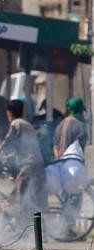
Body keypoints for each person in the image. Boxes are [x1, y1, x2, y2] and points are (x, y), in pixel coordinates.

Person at [0, 99, 46, 227]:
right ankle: (29, 227)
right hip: (35, 164)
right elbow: (20, 146)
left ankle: (25, 228)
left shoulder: (16, 123)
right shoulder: (26, 124)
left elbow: (7, 142)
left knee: (20, 197)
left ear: (9, 112)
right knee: (28, 197)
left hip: (29, 166)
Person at [52, 97, 89, 239]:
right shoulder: (80, 125)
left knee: (64, 198)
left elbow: (54, 144)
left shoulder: (60, 124)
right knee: (75, 198)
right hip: (73, 167)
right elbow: (81, 147)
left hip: (59, 166)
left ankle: (63, 229)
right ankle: (66, 229)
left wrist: (59, 159)